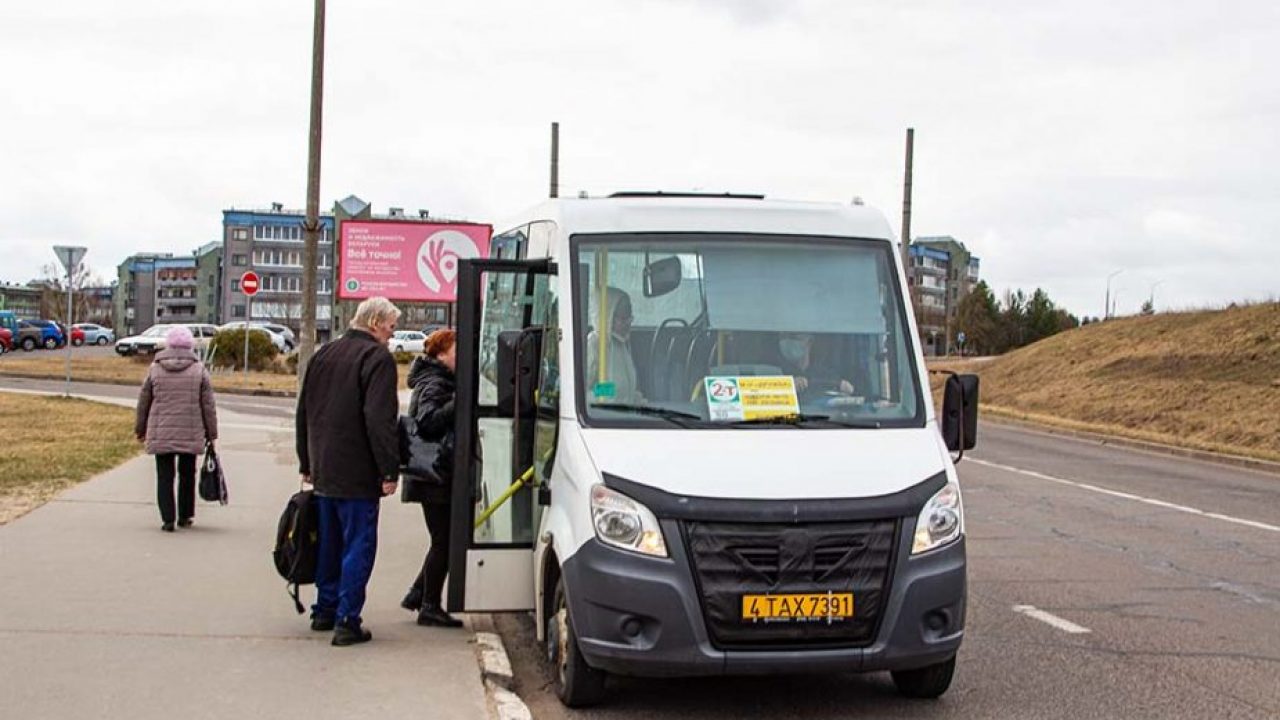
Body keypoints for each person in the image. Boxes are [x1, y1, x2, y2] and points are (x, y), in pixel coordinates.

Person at [296, 297, 402, 647]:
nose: (391, 334)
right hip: (359, 471)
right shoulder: (377, 359)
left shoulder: (324, 355)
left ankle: (324, 610)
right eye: (389, 327)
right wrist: (389, 468)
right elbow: (379, 420)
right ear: (374, 322)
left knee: (329, 543)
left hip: (324, 467)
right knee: (358, 544)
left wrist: (306, 461)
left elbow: (304, 411)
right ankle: (347, 620)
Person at [400, 328, 464, 627]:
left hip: (435, 474)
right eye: (456, 351)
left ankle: (418, 593)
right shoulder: (435, 382)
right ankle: (429, 605)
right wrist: (459, 403)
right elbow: (427, 422)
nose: (461, 358)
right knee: (445, 541)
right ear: (440, 355)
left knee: (444, 538)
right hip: (434, 474)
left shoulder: (438, 379)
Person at [135, 326, 218, 532]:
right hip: (190, 431)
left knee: (164, 475)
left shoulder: (155, 369)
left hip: (161, 430)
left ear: (169, 344)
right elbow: (208, 405)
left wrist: (140, 428)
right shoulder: (199, 370)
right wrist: (212, 433)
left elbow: (144, 401)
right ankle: (185, 515)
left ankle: (168, 518)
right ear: (190, 345)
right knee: (187, 474)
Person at [586, 286, 642, 403]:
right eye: (622, 319)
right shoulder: (594, 344)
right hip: (602, 417)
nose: (628, 324)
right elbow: (583, 392)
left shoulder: (621, 344)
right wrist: (610, 392)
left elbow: (627, 390)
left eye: (629, 318)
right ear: (607, 316)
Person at [776, 332, 855, 398]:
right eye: (783, 337)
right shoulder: (777, 373)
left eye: (794, 337)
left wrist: (844, 388)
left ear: (809, 342)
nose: (788, 341)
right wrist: (787, 386)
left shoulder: (826, 375)